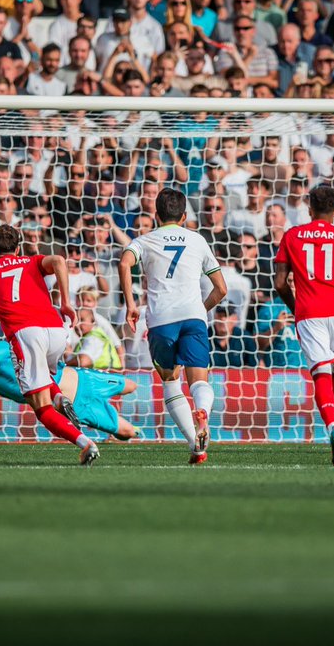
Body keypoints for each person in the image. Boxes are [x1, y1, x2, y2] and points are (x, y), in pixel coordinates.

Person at [118, 187, 227, 465]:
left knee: (170, 380)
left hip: (161, 320)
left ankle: (195, 445)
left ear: (156, 215)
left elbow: (124, 263)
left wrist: (131, 305)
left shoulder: (145, 240)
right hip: (193, 317)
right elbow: (221, 289)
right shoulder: (198, 240)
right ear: (184, 216)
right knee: (199, 381)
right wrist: (200, 310)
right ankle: (202, 412)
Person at [0, 225, 99, 465]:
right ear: (18, 248)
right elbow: (60, 261)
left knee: (40, 408)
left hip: (26, 334)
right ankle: (59, 397)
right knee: (42, 373)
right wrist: (66, 303)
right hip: (57, 331)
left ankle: (85, 443)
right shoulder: (30, 261)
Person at [273, 185, 334, 468]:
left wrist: (296, 307)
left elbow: (279, 283)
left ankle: (332, 430)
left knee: (321, 374)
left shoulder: (292, 235)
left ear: (309, 209)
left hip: (310, 313)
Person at [0, 335, 139, 440]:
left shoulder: (6, 347)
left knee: (131, 386)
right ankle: (133, 433)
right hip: (78, 407)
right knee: (127, 433)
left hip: (83, 380)